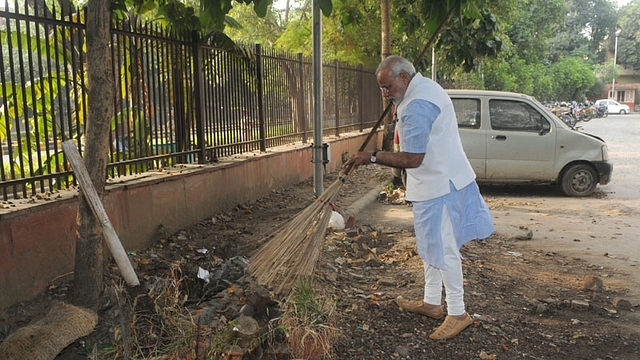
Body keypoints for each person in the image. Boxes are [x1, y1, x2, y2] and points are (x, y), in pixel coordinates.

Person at [343, 55, 494, 340]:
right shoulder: (424, 88)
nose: (385, 94)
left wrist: (371, 157)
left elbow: (412, 158)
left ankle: (458, 312)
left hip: (441, 186)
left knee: (445, 249)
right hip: (439, 182)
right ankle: (431, 303)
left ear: (403, 78)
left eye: (388, 87)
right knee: (430, 246)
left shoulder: (416, 105)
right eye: (382, 89)